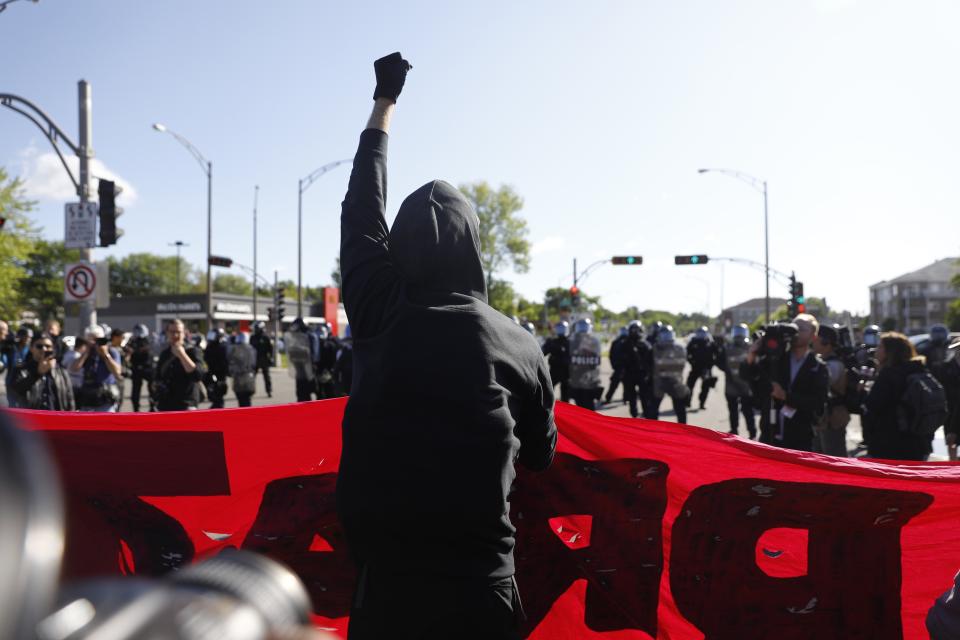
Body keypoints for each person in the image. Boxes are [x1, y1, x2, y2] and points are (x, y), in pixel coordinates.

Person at [337, 52, 556, 640]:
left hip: (386, 596)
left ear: (399, 247)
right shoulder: (519, 343)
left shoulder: (380, 310)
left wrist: (385, 101)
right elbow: (540, 456)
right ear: (475, 249)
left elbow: (361, 208)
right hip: (483, 593)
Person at [741, 314, 829, 452]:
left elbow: (818, 405)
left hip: (800, 441)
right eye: (794, 326)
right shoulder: (776, 358)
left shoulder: (818, 367)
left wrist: (786, 397)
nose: (797, 331)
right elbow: (748, 377)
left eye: (802, 328)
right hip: (769, 436)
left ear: (813, 336)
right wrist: (751, 356)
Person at [863, 332, 938, 461]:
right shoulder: (919, 369)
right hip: (918, 443)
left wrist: (862, 393)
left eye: (881, 347)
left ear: (890, 352)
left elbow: (873, 405)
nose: (877, 350)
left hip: (889, 444)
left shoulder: (888, 375)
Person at [811, 324, 850, 457]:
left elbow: (821, 383)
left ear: (826, 343)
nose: (813, 341)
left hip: (833, 418)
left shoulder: (834, 364)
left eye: (816, 339)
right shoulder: (823, 361)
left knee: (835, 458)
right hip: (824, 418)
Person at [10, 334, 75, 411]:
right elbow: (14, 392)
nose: (44, 349)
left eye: (48, 346)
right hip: (30, 419)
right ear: (31, 348)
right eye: (39, 346)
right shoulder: (21, 370)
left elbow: (69, 398)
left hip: (56, 419)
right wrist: (37, 373)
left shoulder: (62, 372)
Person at [154, 319, 206, 411]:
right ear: (167, 333)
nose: (175, 335)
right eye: (172, 332)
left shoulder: (193, 351)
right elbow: (157, 377)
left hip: (186, 405)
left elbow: (197, 375)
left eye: (178, 332)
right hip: (165, 406)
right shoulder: (164, 354)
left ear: (184, 333)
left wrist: (182, 355)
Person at [69, 325, 123, 412]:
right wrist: (86, 353)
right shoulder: (86, 352)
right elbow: (74, 368)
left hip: (106, 397)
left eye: (98, 340)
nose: (95, 343)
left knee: (105, 424)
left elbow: (117, 372)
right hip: (87, 397)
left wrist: (105, 355)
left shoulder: (111, 351)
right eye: (92, 340)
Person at [716, 323, 756, 439]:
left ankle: (749, 432)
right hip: (735, 385)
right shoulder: (728, 348)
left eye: (740, 333)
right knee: (739, 410)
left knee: (745, 411)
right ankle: (740, 432)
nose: (739, 336)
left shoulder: (750, 347)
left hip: (741, 385)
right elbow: (719, 362)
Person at [651, 325, 688, 423]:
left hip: (675, 383)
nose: (666, 338)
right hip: (660, 383)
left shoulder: (680, 348)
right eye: (664, 335)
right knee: (653, 410)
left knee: (680, 410)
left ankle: (683, 432)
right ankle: (652, 432)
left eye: (668, 335)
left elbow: (682, 365)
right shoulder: (655, 348)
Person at [619, 320, 655, 419]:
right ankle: (634, 414)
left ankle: (646, 415)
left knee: (644, 396)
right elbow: (619, 359)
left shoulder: (645, 344)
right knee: (632, 397)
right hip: (629, 374)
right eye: (633, 329)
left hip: (642, 374)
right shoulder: (625, 343)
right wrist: (621, 372)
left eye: (636, 329)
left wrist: (650, 373)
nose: (635, 332)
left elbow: (651, 360)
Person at [568, 318, 602, 410]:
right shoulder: (572, 341)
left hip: (590, 378)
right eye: (581, 326)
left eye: (585, 326)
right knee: (579, 405)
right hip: (576, 378)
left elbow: (597, 361)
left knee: (590, 406)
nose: (583, 329)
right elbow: (569, 359)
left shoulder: (594, 341)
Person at [285, 318, 317, 402]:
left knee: (307, 394)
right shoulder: (297, 337)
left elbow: (313, 355)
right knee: (300, 393)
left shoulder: (310, 336)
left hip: (308, 369)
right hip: (299, 369)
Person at [126, 324, 156, 412]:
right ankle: (136, 409)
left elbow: (148, 353)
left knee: (152, 389)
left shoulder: (146, 341)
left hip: (147, 368)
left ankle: (152, 407)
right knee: (136, 391)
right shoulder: (132, 341)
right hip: (137, 369)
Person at [685, 326, 716, 410]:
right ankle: (687, 402)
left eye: (703, 333)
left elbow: (716, 354)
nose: (701, 335)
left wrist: (711, 365)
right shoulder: (693, 342)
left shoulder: (710, 342)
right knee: (689, 386)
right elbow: (687, 354)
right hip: (695, 368)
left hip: (706, 369)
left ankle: (702, 403)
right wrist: (692, 362)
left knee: (705, 388)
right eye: (700, 333)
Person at [4, 326, 33, 407]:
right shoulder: (11, 347)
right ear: (21, 336)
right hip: (11, 380)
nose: (28, 339)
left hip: (24, 381)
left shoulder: (31, 349)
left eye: (30, 337)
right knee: (12, 405)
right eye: (27, 337)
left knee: (23, 406)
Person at [541, 321, 571, 402]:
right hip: (555, 370)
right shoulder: (552, 341)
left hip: (566, 371)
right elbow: (542, 353)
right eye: (559, 328)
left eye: (562, 328)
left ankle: (564, 411)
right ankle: (547, 409)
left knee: (565, 395)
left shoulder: (570, 342)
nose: (561, 330)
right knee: (548, 393)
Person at [228, 332, 257, 407]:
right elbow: (254, 364)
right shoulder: (251, 349)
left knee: (242, 400)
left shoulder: (234, 349)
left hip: (239, 378)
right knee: (247, 400)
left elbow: (230, 362)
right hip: (248, 377)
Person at [204, 328, 230, 409]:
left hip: (220, 374)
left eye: (213, 335)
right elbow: (205, 358)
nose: (211, 338)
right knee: (211, 394)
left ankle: (217, 409)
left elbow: (226, 361)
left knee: (219, 394)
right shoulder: (209, 346)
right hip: (210, 372)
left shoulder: (224, 346)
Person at [603, 327, 628, 404]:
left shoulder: (629, 342)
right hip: (618, 367)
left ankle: (626, 398)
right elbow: (611, 355)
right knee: (613, 384)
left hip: (627, 368)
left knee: (627, 385)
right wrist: (614, 365)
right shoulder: (615, 342)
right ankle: (608, 398)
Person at [250, 322, 275, 397]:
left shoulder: (266, 337)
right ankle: (251, 390)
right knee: (252, 377)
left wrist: (271, 357)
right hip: (255, 359)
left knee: (266, 376)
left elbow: (270, 349)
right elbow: (250, 348)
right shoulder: (253, 337)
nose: (255, 330)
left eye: (257, 328)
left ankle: (269, 391)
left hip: (264, 359)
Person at [334, 324, 354, 395]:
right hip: (347, 386)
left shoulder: (342, 351)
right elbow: (336, 371)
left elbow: (336, 371)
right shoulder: (342, 351)